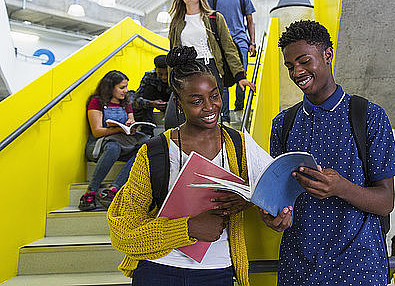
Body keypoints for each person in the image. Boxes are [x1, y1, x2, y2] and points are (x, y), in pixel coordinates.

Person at [107, 46, 273, 286]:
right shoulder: (154, 152)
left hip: (217, 271)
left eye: (214, 96)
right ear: (178, 104)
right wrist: (188, 228)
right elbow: (123, 232)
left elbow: (274, 192)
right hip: (158, 269)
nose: (209, 107)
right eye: (196, 101)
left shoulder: (240, 146)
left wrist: (248, 200)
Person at [261, 20, 395, 285]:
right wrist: (272, 216)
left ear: (328, 55)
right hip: (298, 270)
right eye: (290, 66)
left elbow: (386, 201)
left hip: (359, 270)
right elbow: (277, 197)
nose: (296, 72)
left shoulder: (369, 116)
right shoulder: (283, 123)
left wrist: (341, 188)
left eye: (304, 61)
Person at [165, 0, 255, 129]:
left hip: (209, 69)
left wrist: (240, 75)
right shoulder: (177, 22)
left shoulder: (214, 17)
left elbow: (229, 48)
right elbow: (173, 52)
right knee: (174, 120)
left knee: (206, 117)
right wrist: (171, 80)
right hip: (185, 71)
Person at [79, 70, 149, 211]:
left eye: (126, 87)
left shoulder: (126, 103)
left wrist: (131, 126)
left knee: (144, 148)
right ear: (110, 87)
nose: (126, 91)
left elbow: (131, 122)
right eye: (122, 87)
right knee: (113, 147)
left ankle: (114, 189)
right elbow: (97, 131)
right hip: (98, 146)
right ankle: (91, 191)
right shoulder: (96, 102)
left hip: (123, 143)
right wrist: (119, 129)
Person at [208, 0, 257, 123]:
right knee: (222, 80)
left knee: (240, 76)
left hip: (241, 41)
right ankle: (225, 116)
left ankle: (239, 107)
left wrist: (252, 43)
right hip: (220, 43)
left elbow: (250, 21)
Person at [133, 54, 171, 136]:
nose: (164, 77)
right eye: (160, 74)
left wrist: (169, 105)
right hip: (152, 104)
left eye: (167, 74)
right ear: (155, 70)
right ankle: (147, 130)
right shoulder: (149, 76)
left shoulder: (176, 77)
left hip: (171, 104)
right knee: (148, 89)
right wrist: (151, 103)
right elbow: (136, 100)